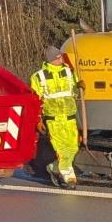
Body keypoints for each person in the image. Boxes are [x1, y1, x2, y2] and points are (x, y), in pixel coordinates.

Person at [31, 46, 81, 189]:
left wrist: (80, 86)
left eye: (61, 56)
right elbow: (36, 100)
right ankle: (68, 178)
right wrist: (38, 119)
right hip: (54, 118)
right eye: (58, 57)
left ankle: (54, 167)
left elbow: (74, 91)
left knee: (73, 147)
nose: (61, 58)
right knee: (61, 149)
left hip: (70, 116)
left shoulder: (69, 72)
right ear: (52, 59)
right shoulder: (39, 76)